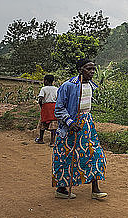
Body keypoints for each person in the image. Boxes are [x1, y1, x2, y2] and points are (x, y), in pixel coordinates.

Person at [52, 58, 107, 200]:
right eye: (89, 69)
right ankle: (61, 188)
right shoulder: (68, 86)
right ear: (80, 69)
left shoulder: (91, 86)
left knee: (95, 154)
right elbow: (58, 108)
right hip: (70, 126)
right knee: (67, 156)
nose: (92, 72)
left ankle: (95, 189)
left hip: (87, 125)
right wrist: (70, 122)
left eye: (93, 69)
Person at [35, 74, 58, 147]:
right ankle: (52, 141)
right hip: (54, 107)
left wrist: (41, 106)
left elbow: (41, 98)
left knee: (43, 122)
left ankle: (41, 139)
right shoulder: (56, 89)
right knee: (53, 123)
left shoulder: (43, 89)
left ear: (46, 81)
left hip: (46, 107)